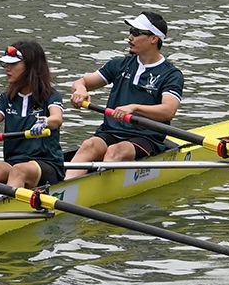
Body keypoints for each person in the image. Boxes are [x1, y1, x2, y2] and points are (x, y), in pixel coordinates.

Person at [65, 12, 185, 177]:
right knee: (88, 145)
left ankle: (99, 185)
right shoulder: (120, 65)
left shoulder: (171, 74)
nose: (130, 37)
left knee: (116, 151)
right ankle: (65, 187)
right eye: (130, 31)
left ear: (153, 38)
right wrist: (80, 90)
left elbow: (168, 111)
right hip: (111, 131)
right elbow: (82, 82)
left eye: (136, 32)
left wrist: (134, 108)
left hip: (146, 137)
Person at [0, 40, 64, 190]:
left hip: (46, 163)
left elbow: (57, 119)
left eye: (13, 64)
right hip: (13, 162)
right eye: (6, 64)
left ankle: (11, 204)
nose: (7, 69)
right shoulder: (6, 98)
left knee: (19, 170)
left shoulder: (50, 96)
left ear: (31, 66)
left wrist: (44, 122)